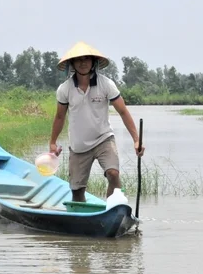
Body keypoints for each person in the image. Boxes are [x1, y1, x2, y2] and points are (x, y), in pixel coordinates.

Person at [49, 41, 144, 202]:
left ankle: (113, 208)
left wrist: (136, 140)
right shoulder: (65, 89)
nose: (83, 63)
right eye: (79, 59)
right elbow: (59, 117)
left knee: (113, 174)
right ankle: (80, 218)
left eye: (87, 59)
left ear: (93, 62)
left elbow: (123, 111)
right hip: (78, 145)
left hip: (103, 139)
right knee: (77, 192)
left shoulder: (106, 84)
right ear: (72, 64)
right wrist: (52, 142)